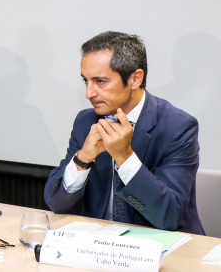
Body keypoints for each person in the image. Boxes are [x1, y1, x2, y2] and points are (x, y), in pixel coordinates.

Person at [44, 31, 204, 235]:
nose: (89, 93)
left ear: (135, 79)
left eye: (100, 81)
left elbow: (168, 217)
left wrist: (124, 157)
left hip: (164, 248)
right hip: (99, 246)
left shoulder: (177, 127)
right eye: (86, 81)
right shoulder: (86, 121)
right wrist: (83, 159)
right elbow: (56, 202)